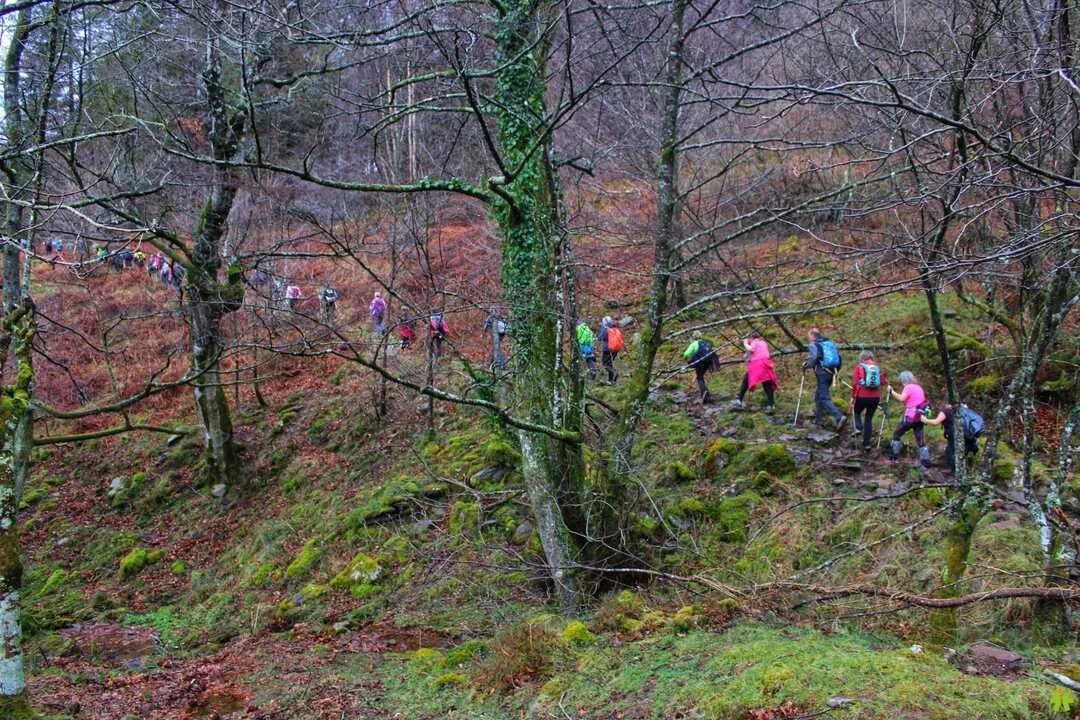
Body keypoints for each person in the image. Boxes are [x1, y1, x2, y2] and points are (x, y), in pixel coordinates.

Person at [803, 328, 845, 430]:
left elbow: (815, 358)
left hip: (822, 373)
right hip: (831, 372)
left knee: (824, 397)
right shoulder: (828, 343)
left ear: (813, 336)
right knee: (818, 396)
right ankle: (818, 421)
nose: (808, 338)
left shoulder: (814, 344)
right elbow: (838, 357)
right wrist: (836, 371)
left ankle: (839, 416)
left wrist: (806, 365)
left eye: (809, 336)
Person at [886, 371, 932, 467]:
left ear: (903, 380)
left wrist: (891, 391)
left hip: (910, 417)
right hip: (920, 417)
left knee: (897, 433)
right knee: (920, 439)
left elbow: (902, 398)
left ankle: (893, 458)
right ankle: (926, 461)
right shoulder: (919, 387)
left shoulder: (908, 387)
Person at [923, 403, 983, 474]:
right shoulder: (962, 409)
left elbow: (936, 422)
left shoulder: (946, 411)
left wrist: (925, 420)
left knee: (949, 452)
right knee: (964, 451)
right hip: (968, 435)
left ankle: (955, 471)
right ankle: (969, 467)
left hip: (955, 435)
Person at [734, 330, 778, 411]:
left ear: (751, 337)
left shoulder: (754, 342)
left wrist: (745, 343)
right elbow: (751, 354)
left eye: (748, 338)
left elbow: (751, 349)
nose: (748, 340)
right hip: (766, 364)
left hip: (757, 364)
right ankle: (771, 404)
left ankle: (739, 401)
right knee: (767, 384)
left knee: (746, 381)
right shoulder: (763, 342)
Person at [850, 350, 885, 451]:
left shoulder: (859, 367)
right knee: (868, 419)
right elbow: (882, 382)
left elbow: (855, 383)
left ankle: (858, 428)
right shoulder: (877, 367)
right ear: (871, 357)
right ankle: (867, 444)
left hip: (862, 395)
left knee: (856, 411)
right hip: (875, 397)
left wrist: (853, 396)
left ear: (862, 357)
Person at [683, 337, 721, 403]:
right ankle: (706, 392)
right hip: (708, 361)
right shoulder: (706, 343)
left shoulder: (694, 343)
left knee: (699, 377)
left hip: (700, 361)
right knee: (701, 375)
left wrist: (685, 358)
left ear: (694, 338)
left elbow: (686, 353)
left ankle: (704, 393)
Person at [598, 316, 622, 384]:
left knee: (605, 364)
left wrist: (598, 336)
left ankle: (614, 372)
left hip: (607, 349)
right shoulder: (613, 328)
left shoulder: (605, 329)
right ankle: (610, 380)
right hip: (615, 349)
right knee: (610, 363)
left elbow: (600, 338)